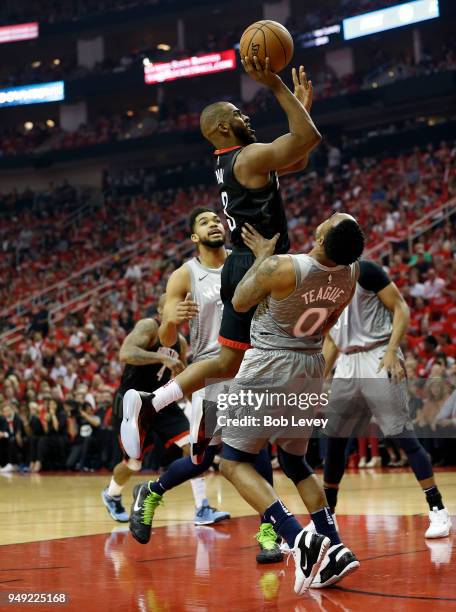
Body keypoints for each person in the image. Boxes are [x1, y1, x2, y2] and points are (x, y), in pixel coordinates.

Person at [120, 59, 322, 438]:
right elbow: (308, 139)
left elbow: (299, 156)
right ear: (224, 127)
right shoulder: (248, 156)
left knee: (228, 361)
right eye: (238, 113)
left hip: (242, 263)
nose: (246, 116)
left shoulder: (233, 161)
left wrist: (303, 109)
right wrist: (277, 86)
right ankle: (276, 431)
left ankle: (153, 402)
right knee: (295, 347)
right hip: (260, 267)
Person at [219, 213, 365, 593]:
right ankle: (334, 543)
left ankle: (299, 539)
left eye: (332, 218)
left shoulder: (281, 267)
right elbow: (330, 320)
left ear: (320, 235)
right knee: (294, 461)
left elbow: (238, 301)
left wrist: (261, 257)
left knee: (232, 462)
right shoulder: (351, 275)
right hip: (311, 363)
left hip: (271, 361)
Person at [127, 208, 281, 562]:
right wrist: (170, 320)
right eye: (203, 221)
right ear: (194, 237)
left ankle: (269, 532)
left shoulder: (243, 260)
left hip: (250, 365)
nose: (214, 223)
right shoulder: (184, 275)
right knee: (202, 459)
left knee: (255, 452)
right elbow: (167, 338)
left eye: (216, 218)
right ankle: (151, 490)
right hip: (210, 369)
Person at [318, 260, 452, 539]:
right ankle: (327, 518)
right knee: (334, 441)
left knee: (402, 434)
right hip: (346, 361)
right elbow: (331, 341)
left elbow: (401, 308)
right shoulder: (322, 282)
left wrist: (392, 350)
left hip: (377, 354)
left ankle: (437, 508)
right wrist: (318, 379)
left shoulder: (366, 270)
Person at [102, 298, 229, 527]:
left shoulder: (180, 342)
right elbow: (126, 353)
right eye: (173, 306)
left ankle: (202, 507)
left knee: (194, 447)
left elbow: (183, 380)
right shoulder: (148, 326)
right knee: (133, 464)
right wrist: (162, 357)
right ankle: (112, 494)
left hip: (162, 401)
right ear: (161, 310)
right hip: (133, 401)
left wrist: (199, 405)